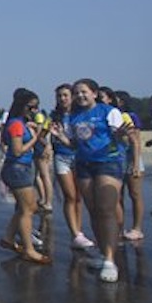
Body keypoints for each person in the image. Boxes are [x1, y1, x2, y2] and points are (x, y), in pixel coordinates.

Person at [50, 79, 131, 283]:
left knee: (106, 209)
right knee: (94, 211)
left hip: (108, 163)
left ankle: (111, 261)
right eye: (76, 93)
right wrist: (60, 137)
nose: (80, 96)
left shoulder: (108, 111)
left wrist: (122, 135)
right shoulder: (75, 116)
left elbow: (124, 138)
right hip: (84, 165)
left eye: (84, 92)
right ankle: (104, 254)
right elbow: (75, 145)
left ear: (94, 93)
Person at [0, 89, 51, 265]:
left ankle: (8, 237)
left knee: (24, 208)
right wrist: (35, 138)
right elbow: (17, 150)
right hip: (17, 169)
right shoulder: (16, 124)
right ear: (22, 106)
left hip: (20, 168)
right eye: (31, 107)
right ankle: (29, 249)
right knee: (28, 209)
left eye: (36, 107)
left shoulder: (20, 123)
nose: (34, 111)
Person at [50, 84, 94, 250]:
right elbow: (50, 137)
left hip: (79, 157)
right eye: (59, 96)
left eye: (65, 95)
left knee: (78, 197)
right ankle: (75, 233)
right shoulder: (55, 116)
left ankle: (78, 232)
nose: (62, 99)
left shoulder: (80, 115)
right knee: (69, 196)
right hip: (62, 158)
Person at [116, 91, 145, 240]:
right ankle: (119, 228)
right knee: (118, 196)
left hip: (131, 157)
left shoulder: (130, 116)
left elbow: (136, 140)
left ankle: (137, 228)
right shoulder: (111, 116)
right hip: (118, 159)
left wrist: (135, 163)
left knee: (135, 194)